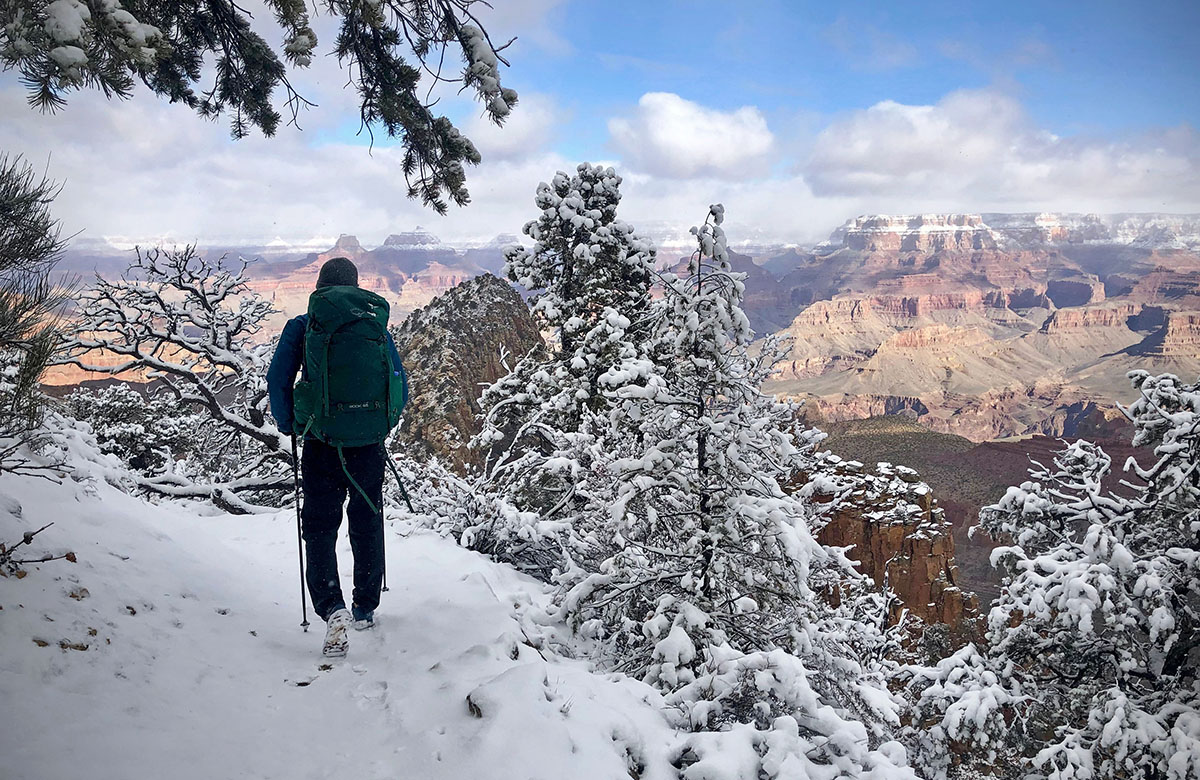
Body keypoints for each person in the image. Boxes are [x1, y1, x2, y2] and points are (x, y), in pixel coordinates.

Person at [267, 256, 407, 657]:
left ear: (320, 287)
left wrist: (289, 423)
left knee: (320, 525)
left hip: (321, 442)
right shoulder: (374, 326)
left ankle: (331, 608)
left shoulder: (304, 324)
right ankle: (365, 606)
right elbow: (398, 381)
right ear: (355, 285)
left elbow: (278, 378)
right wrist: (382, 424)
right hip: (368, 443)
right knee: (367, 517)